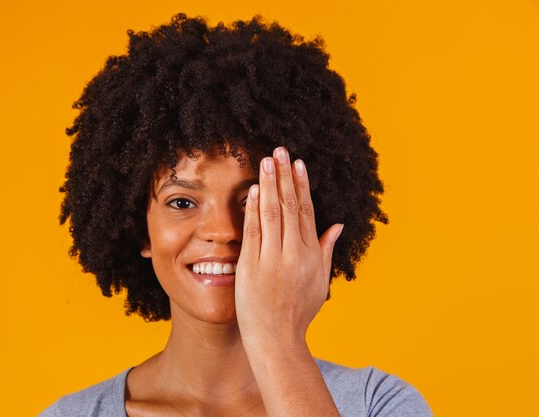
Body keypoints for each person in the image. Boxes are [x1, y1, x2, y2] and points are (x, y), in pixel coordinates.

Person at [39, 13, 432, 417]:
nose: (224, 230)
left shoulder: (377, 404)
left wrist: (279, 344)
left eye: (253, 201)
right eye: (181, 203)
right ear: (140, 230)